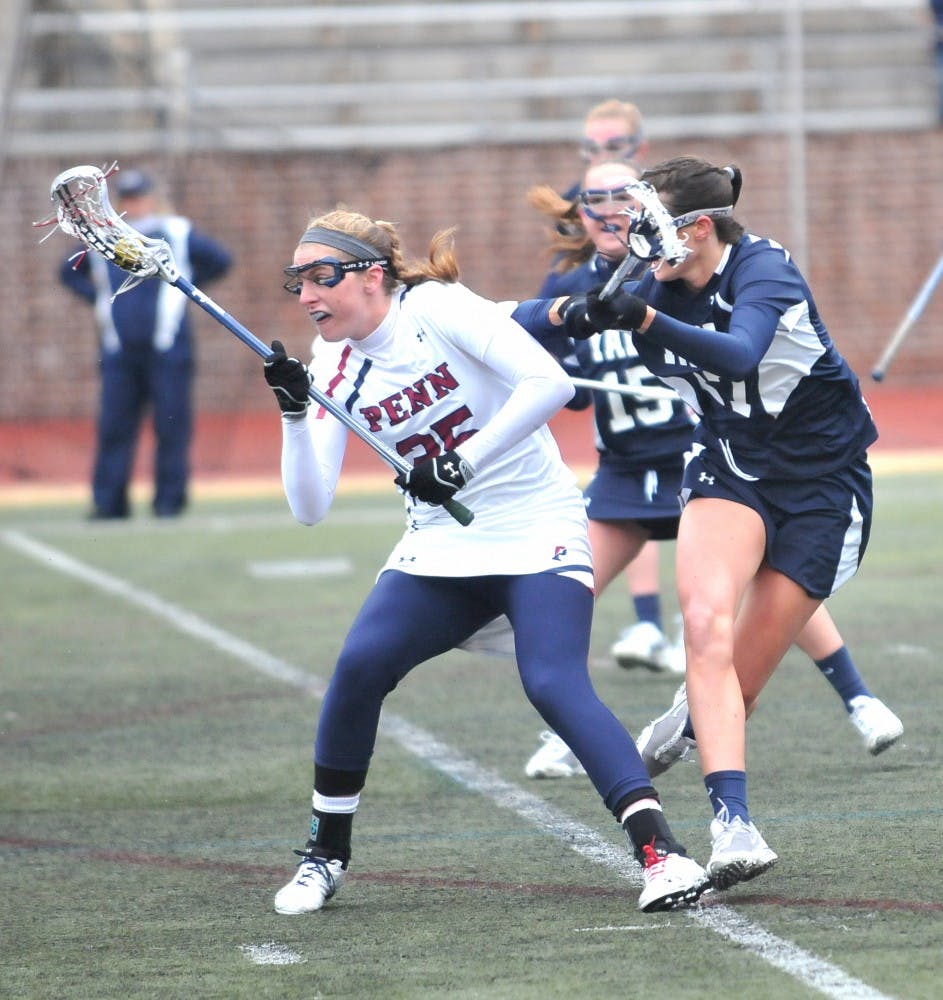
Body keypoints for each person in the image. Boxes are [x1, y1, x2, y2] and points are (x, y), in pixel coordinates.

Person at [261, 207, 711, 916]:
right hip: (442, 543)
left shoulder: (435, 308)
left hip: (535, 525)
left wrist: (459, 463)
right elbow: (309, 505)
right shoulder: (333, 363)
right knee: (358, 668)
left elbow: (547, 384)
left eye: (322, 277)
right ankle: (324, 855)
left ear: (371, 275)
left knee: (552, 682)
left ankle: (661, 854)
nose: (308, 296)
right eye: (299, 282)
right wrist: (293, 415)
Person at [512, 155, 887, 890]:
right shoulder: (643, 280)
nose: (627, 230)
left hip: (822, 485)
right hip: (730, 467)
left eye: (647, 221)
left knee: (737, 685)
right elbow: (525, 327)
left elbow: (741, 354)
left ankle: (685, 725)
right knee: (706, 626)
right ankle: (732, 822)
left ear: (698, 228)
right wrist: (568, 314)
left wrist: (644, 317)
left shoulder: (763, 270)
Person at [58, 168, 233, 519]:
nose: (134, 205)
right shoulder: (101, 237)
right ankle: (109, 502)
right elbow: (67, 271)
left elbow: (220, 260)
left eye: (139, 198)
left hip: (168, 348)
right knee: (114, 426)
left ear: (151, 199)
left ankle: (169, 501)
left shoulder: (175, 232)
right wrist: (97, 299)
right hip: (120, 349)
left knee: (171, 425)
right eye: (127, 199)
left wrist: (188, 289)